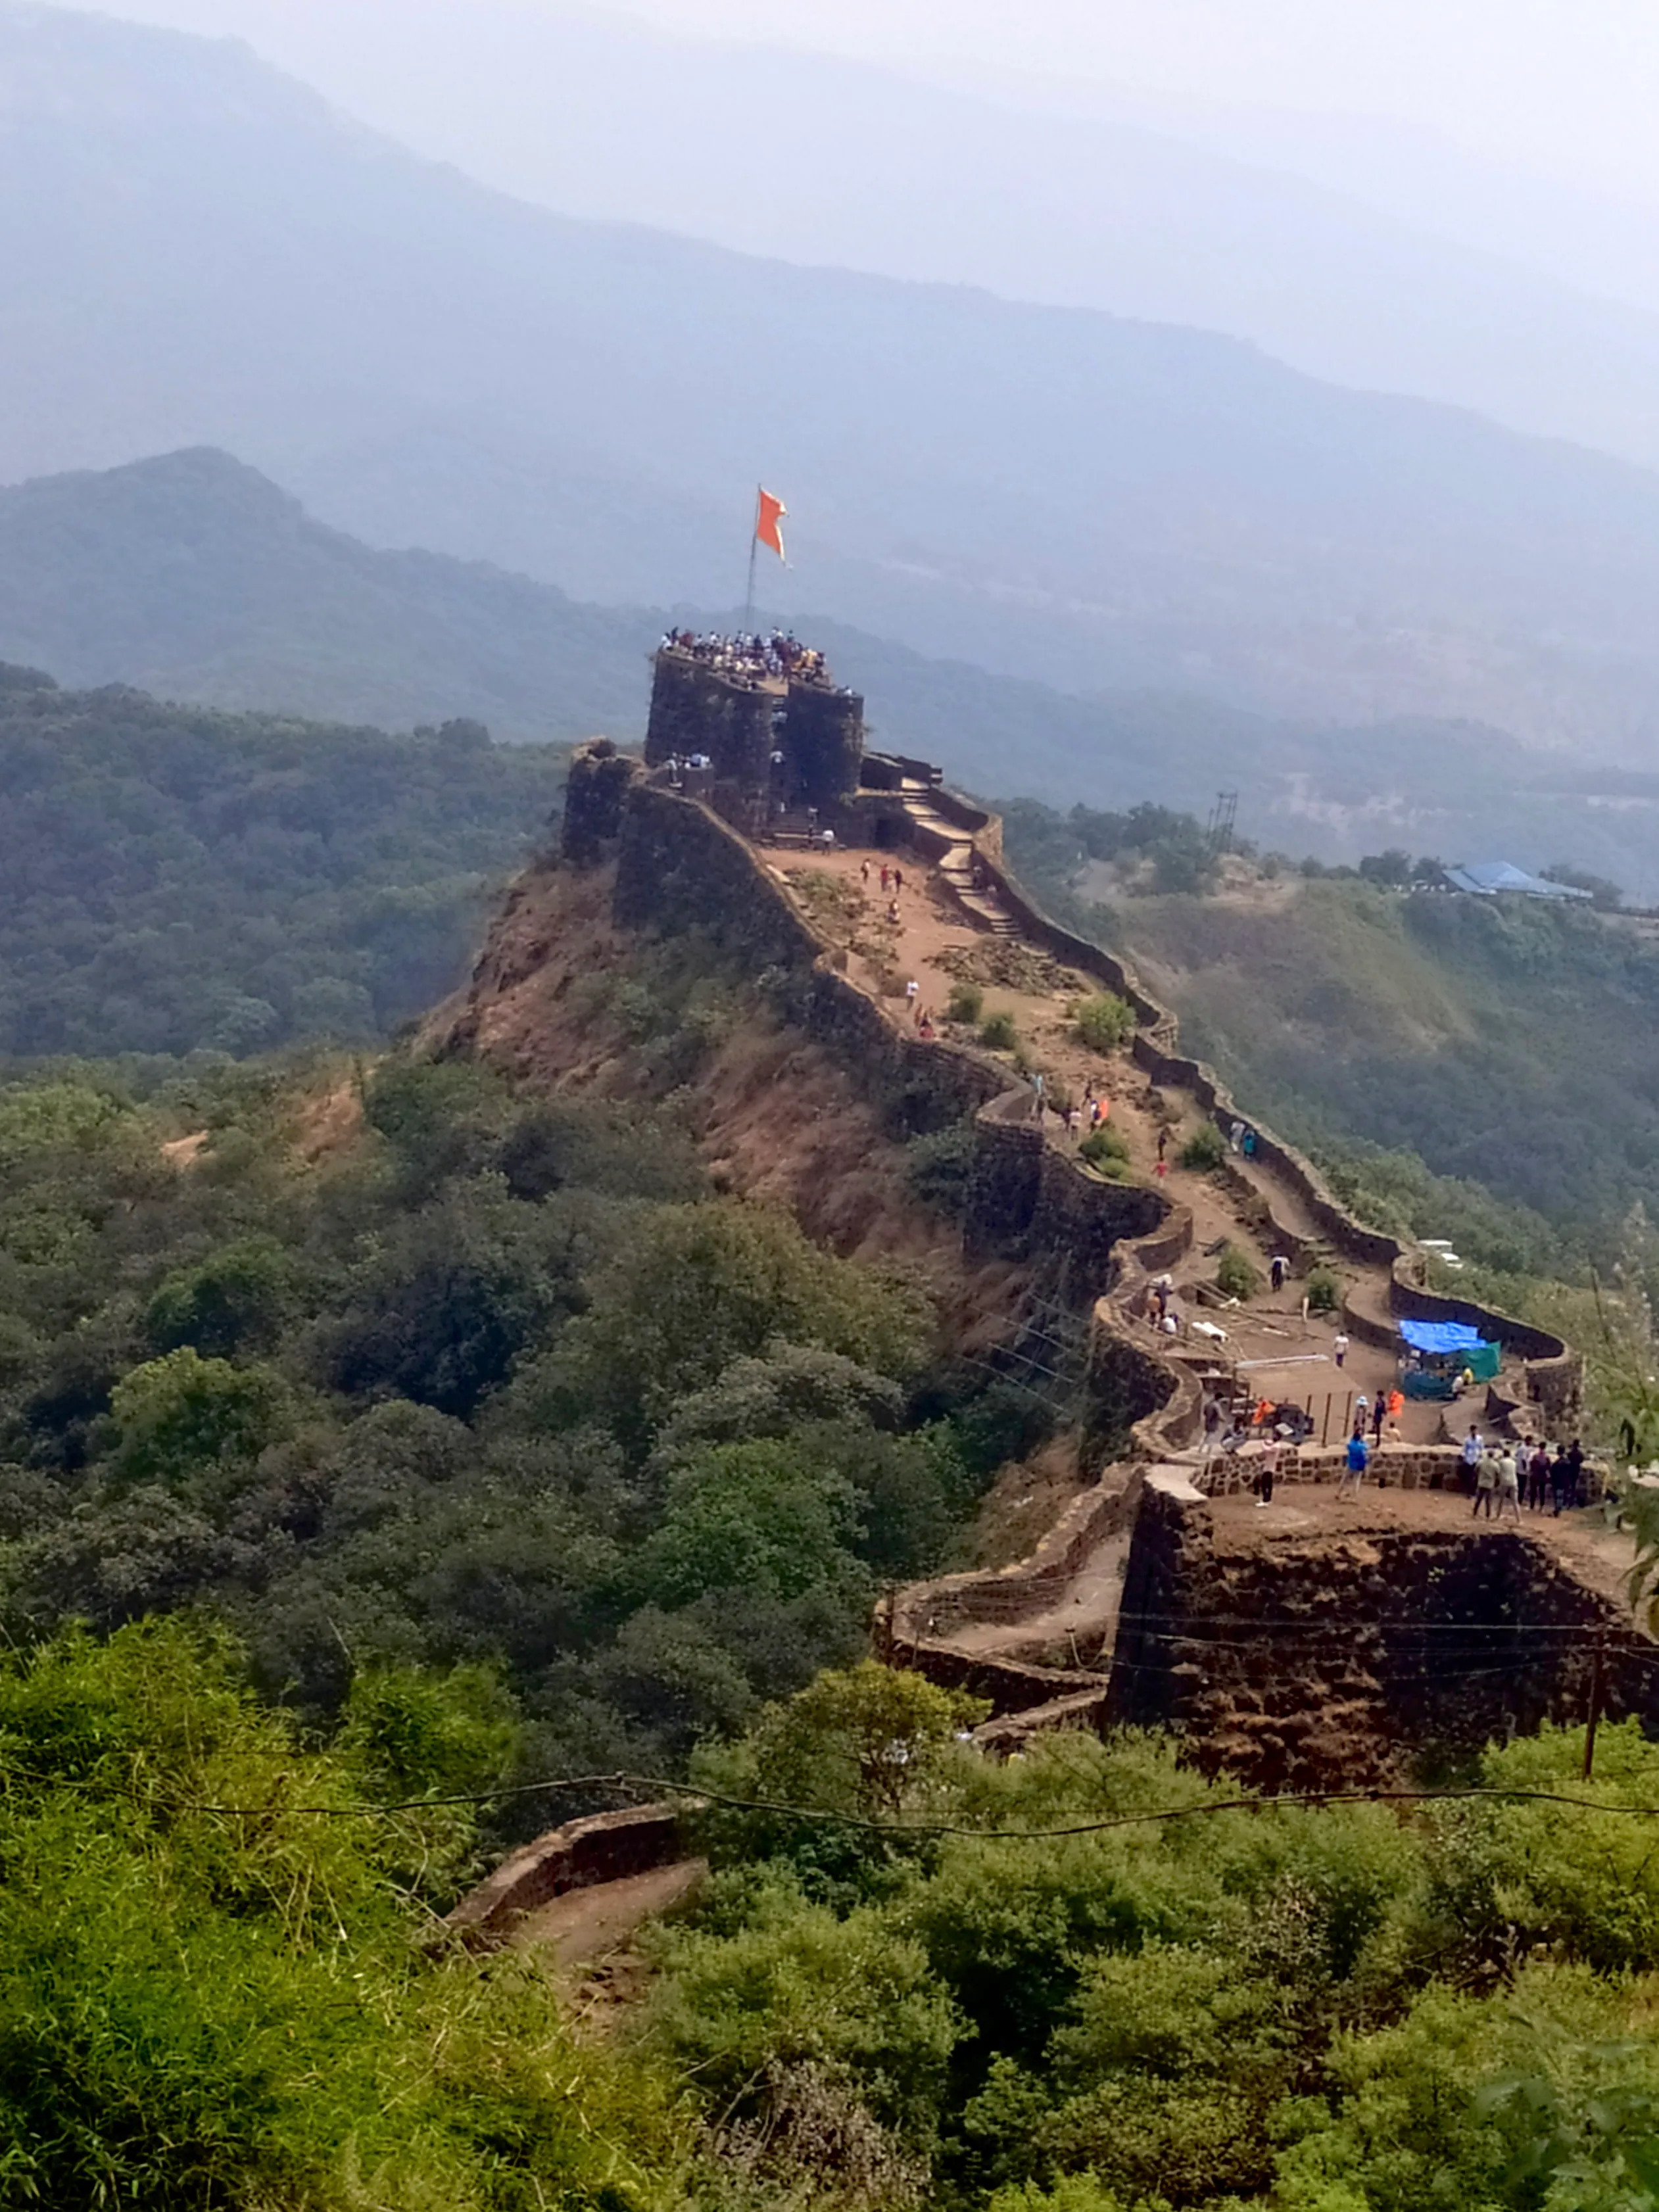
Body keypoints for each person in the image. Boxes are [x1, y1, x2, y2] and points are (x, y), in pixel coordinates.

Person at [1339, 1428, 1369, 1497]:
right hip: (1359, 1466)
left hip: (1351, 1464)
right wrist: (1363, 1440)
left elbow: (1347, 1443)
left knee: (1344, 1479)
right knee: (1356, 1481)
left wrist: (1351, 1437)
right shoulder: (1361, 1446)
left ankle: (1339, 1493)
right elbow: (1367, 1446)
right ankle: (1354, 1496)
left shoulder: (1351, 1445)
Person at [1472, 1447, 1499, 1518]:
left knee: (1478, 1499)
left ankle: (1475, 1513)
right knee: (1488, 1501)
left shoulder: (1481, 1462)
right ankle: (1488, 1515)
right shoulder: (1495, 1464)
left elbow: (1476, 1470)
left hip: (1481, 1482)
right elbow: (1498, 1474)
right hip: (1490, 1484)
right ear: (1493, 1455)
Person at [1496, 1447, 1522, 1522]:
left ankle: (1498, 1515)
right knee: (1515, 1501)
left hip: (1504, 1482)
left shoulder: (1501, 1462)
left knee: (1501, 1500)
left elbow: (1498, 1471)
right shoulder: (1514, 1462)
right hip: (1513, 1481)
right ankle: (1519, 1519)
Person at [1460, 1424, 1483, 1497]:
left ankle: (1474, 1491)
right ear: (1471, 1431)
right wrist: (1464, 1456)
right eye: (1474, 1430)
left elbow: (1481, 1448)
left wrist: (1481, 1455)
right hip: (1469, 1460)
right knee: (1469, 1477)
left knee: (1476, 1477)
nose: (1475, 1432)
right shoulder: (1467, 1440)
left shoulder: (1480, 1439)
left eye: (1476, 1430)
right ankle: (1469, 1492)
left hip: (1476, 1459)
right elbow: (1464, 1449)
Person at [1257, 1437, 1280, 1507]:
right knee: (1268, 1485)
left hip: (1269, 1469)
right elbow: (1269, 1442)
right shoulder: (1276, 1445)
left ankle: (1265, 1500)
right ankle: (1268, 1499)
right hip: (1269, 1468)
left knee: (1265, 1485)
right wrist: (1265, 1441)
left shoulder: (1276, 1447)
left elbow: (1266, 1449)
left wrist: (1262, 1443)